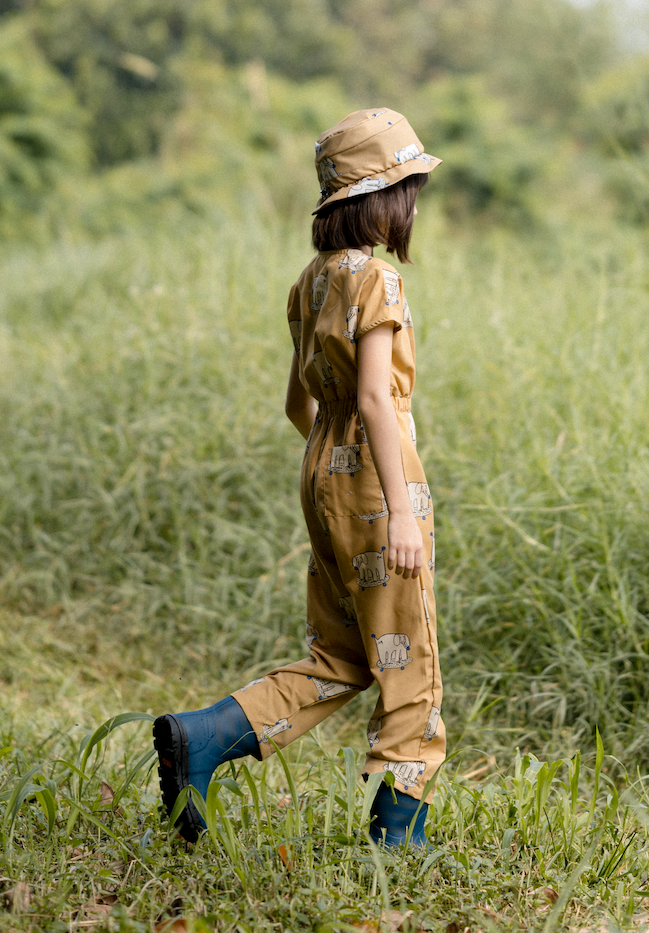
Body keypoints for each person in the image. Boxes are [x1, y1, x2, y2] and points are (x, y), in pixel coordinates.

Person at [153, 107, 446, 847]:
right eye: (408, 185)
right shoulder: (376, 279)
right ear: (382, 198)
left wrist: (334, 465)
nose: (414, 201)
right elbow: (377, 398)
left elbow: (299, 403)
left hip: (323, 473)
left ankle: (206, 734)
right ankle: (398, 835)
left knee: (343, 654)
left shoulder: (311, 281)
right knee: (408, 658)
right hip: (380, 490)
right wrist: (399, 512)